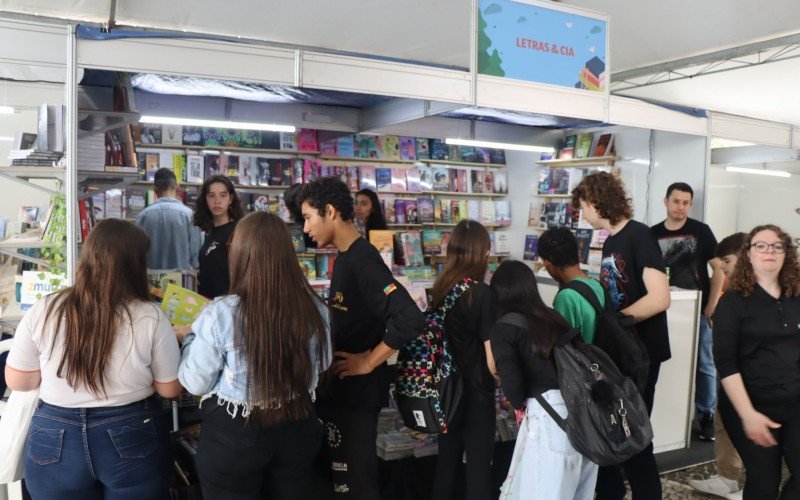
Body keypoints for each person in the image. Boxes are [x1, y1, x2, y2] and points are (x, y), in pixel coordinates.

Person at [5, 219, 181, 499]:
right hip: (131, 432)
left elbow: (18, 381)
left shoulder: (47, 308)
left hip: (55, 435)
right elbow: (169, 389)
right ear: (135, 264)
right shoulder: (149, 315)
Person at [178, 211, 331, 500]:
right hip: (299, 427)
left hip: (236, 436)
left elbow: (195, 383)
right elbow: (323, 363)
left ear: (241, 254)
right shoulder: (315, 307)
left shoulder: (222, 313)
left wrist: (189, 338)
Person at [300, 176, 424, 498]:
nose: (305, 228)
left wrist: (369, 361)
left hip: (356, 399)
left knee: (357, 485)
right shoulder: (345, 258)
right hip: (340, 393)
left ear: (329, 211)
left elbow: (409, 317)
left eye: (308, 217)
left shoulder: (363, 259)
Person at [572, 172, 670, 500]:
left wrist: (618, 322)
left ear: (595, 201)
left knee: (635, 436)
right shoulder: (613, 239)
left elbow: (659, 297)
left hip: (642, 352)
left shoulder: (638, 235)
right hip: (625, 352)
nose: (582, 214)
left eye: (583, 206)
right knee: (617, 430)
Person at [490, 260, 598, 499]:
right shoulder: (553, 317)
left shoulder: (503, 328)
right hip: (583, 412)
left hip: (549, 418)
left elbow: (515, 391)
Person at [713, 225, 800, 499]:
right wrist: (748, 414)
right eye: (760, 245)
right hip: (748, 405)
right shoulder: (733, 303)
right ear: (748, 255)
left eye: (777, 246)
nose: (769, 251)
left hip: (794, 401)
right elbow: (726, 364)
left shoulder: (796, 296)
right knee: (764, 481)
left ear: (787, 254)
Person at [430, 220, 498, 500]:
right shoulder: (481, 293)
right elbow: (492, 357)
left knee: (446, 464)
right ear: (481, 252)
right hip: (476, 394)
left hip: (446, 391)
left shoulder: (442, 286)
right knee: (479, 471)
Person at [651, 182, 723, 441]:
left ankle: (705, 415)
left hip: (698, 313)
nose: (680, 207)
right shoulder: (652, 234)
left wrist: (712, 303)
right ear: (666, 201)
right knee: (668, 364)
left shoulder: (700, 231)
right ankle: (666, 416)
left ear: (690, 205)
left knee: (704, 365)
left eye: (685, 202)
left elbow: (720, 268)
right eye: (676, 201)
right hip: (663, 311)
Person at [689, 232, 746, 500]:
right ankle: (727, 476)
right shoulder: (734, 290)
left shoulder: (758, 293)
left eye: (726, 260)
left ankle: (739, 480)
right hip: (731, 372)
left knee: (743, 428)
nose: (721, 267)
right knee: (726, 421)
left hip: (747, 376)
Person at [537, 227, 605, 343]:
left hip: (582, 360)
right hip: (601, 358)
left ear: (548, 263)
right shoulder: (597, 285)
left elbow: (563, 346)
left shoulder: (566, 296)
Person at [136, 167, 203, 270]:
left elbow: (137, 253)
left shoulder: (143, 216)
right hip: (181, 281)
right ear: (177, 187)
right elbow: (196, 256)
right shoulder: (190, 215)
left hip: (151, 281)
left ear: (154, 188)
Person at [193, 175, 244, 299]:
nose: (217, 201)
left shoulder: (238, 231)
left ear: (230, 199)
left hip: (228, 307)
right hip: (207, 306)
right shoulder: (210, 232)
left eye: (223, 195)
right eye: (211, 195)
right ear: (205, 199)